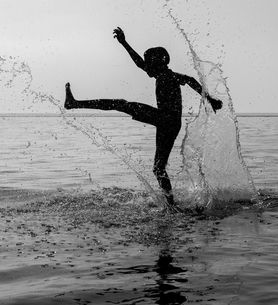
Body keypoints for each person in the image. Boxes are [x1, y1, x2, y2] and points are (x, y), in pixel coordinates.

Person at [64, 27, 222, 211]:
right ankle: (171, 205)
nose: (146, 67)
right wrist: (124, 43)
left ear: (158, 63)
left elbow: (191, 80)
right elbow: (143, 64)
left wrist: (209, 99)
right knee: (158, 168)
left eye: (149, 63)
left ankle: (74, 104)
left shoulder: (168, 75)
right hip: (171, 124)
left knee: (120, 104)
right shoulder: (163, 73)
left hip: (165, 118)